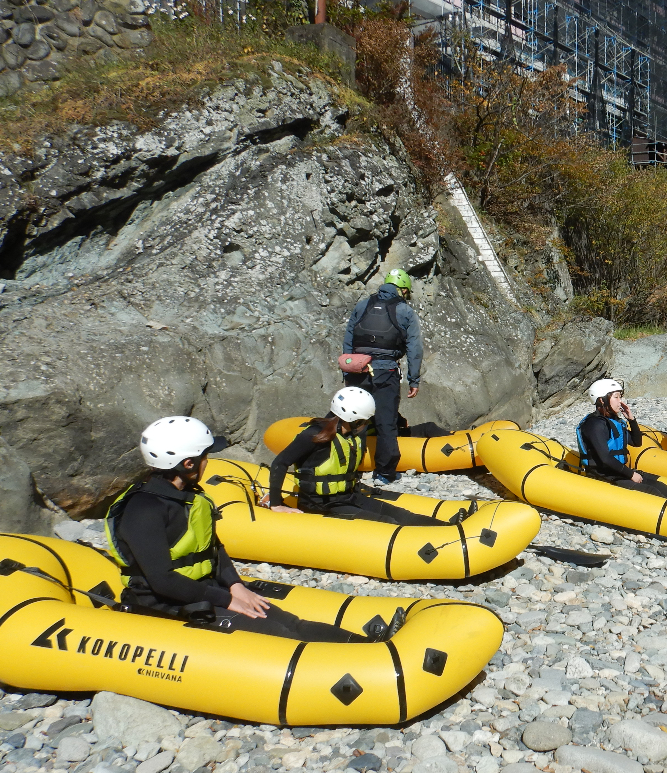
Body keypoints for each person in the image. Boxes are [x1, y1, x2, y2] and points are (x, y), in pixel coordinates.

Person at [106, 416, 392, 641]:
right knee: (281, 636)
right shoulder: (143, 510)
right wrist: (226, 599)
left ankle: (369, 646)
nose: (209, 462)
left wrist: (235, 585)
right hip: (163, 605)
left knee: (289, 622)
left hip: (204, 590)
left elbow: (214, 549)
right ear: (188, 463)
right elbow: (163, 582)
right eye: (205, 456)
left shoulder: (189, 497)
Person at [262, 388, 458, 527]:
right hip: (321, 504)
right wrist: (277, 504)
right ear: (354, 419)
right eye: (365, 421)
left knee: (399, 514)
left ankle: (451, 530)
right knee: (388, 523)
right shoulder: (313, 435)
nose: (366, 425)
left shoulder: (349, 435)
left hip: (348, 496)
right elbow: (280, 463)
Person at [343, 268, 423, 484]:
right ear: (403, 290)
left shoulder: (363, 305)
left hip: (357, 371)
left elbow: (348, 337)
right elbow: (414, 348)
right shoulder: (405, 311)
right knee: (385, 421)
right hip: (384, 372)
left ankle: (345, 467)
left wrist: (347, 369)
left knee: (351, 420)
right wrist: (413, 380)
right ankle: (384, 473)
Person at [576, 378, 667, 500]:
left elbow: (637, 442)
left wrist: (631, 419)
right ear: (601, 400)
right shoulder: (594, 424)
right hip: (602, 476)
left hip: (617, 472)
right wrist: (631, 474)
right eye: (616, 397)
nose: (620, 401)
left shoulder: (613, 422)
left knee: (659, 484)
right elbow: (605, 459)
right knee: (650, 491)